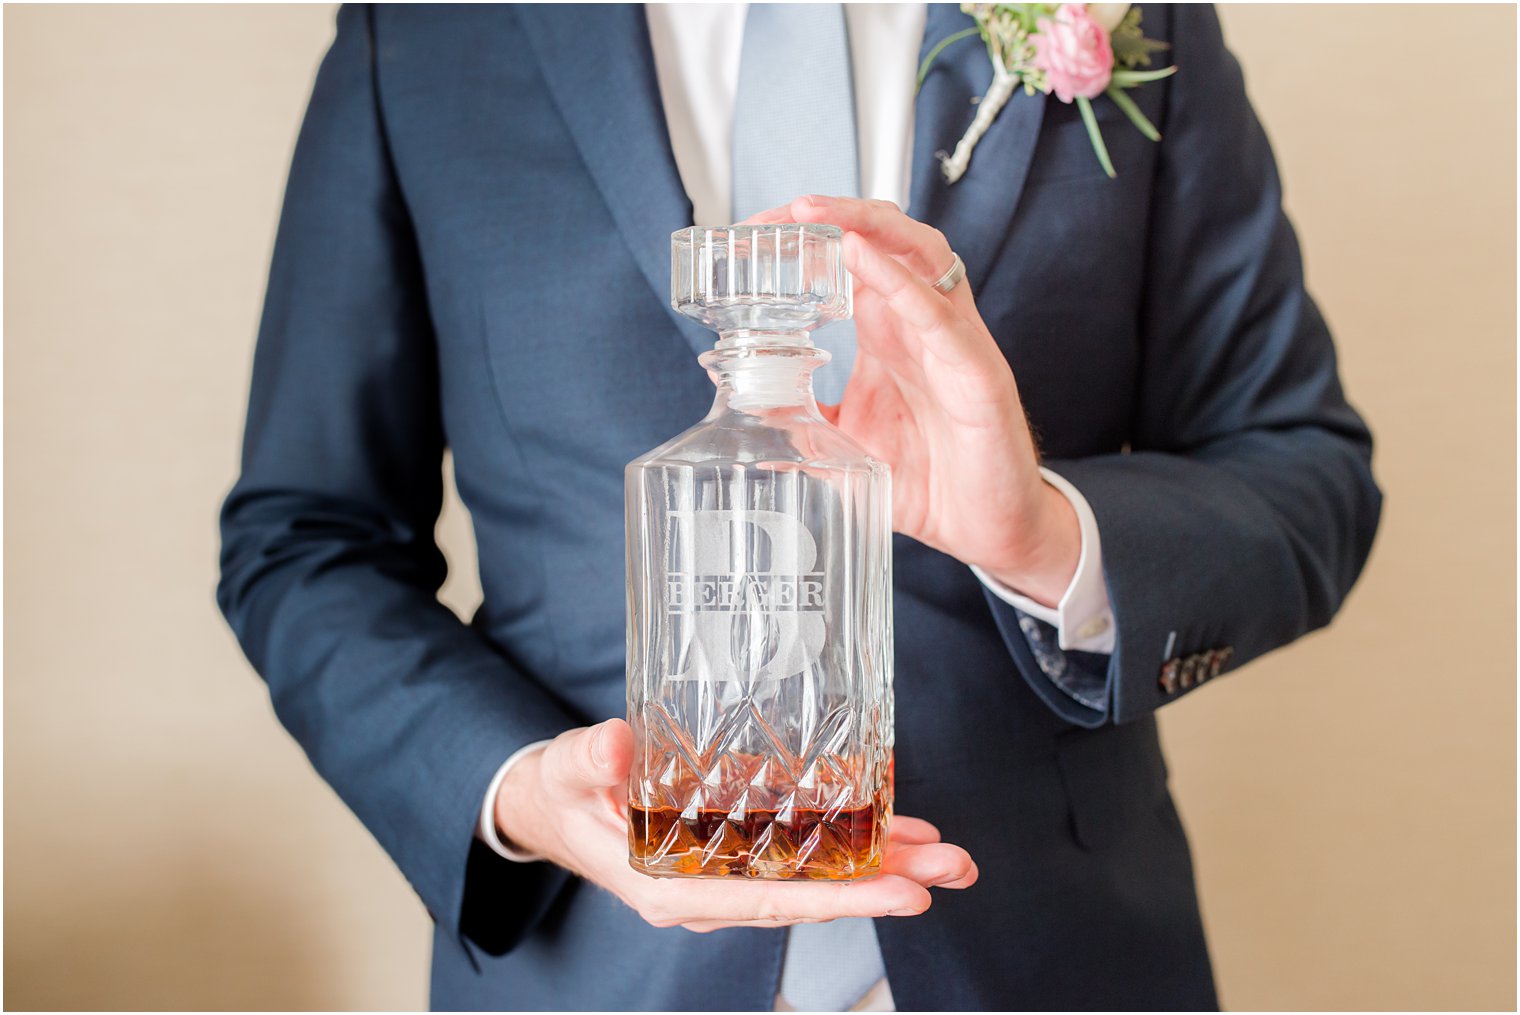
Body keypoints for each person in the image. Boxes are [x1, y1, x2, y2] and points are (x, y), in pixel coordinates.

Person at [218, 4, 1381, 1010]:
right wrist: (518, 788)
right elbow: (306, 540)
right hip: (592, 969)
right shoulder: (424, 28)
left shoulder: (1144, 13)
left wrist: (1040, 533)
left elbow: (1302, 467)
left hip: (1052, 954)